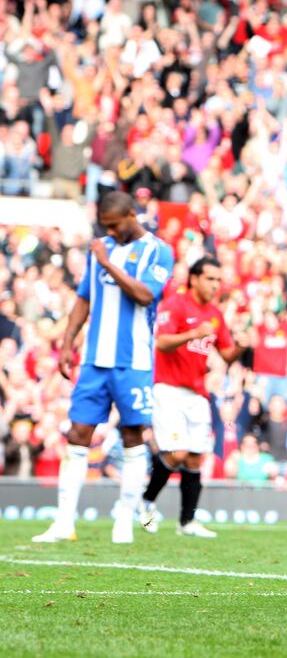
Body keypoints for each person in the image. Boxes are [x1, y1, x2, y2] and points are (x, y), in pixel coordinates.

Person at [33, 191, 174, 544]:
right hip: (95, 360)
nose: (109, 232)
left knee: (131, 437)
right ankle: (64, 522)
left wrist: (108, 263)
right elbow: (84, 298)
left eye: (114, 225)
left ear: (132, 214)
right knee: (77, 434)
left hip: (134, 362)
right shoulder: (101, 248)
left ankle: (124, 520)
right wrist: (67, 342)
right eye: (104, 226)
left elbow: (144, 296)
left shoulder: (158, 250)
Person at [139, 257, 248, 538]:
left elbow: (226, 354)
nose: (215, 285)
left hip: (197, 392)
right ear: (195, 278)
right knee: (177, 453)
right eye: (210, 279)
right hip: (169, 387)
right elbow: (161, 343)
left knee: (195, 457)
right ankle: (146, 500)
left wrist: (241, 346)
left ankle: (186, 522)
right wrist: (192, 334)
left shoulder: (215, 313)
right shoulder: (175, 304)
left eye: (218, 280)